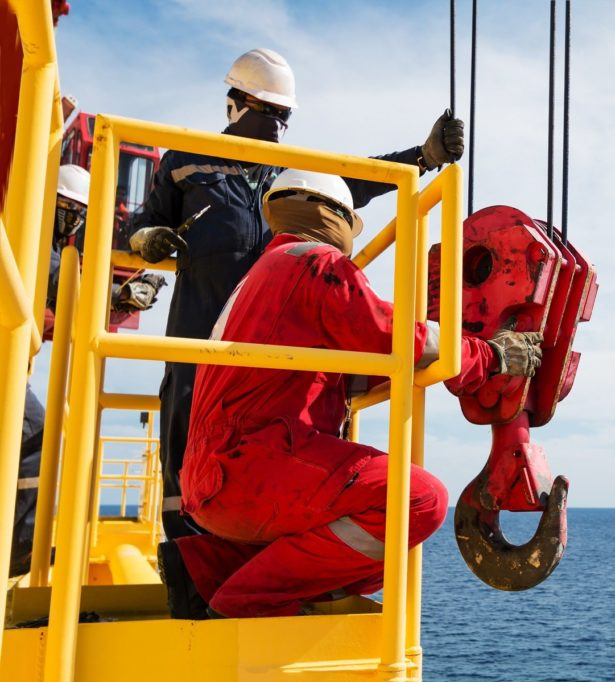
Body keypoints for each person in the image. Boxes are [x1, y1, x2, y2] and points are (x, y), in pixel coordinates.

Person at [156, 170, 542, 619]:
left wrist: (428, 366)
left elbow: (346, 368)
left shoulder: (262, 277)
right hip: (254, 466)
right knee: (416, 502)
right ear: (335, 218)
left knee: (376, 553)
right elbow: (389, 334)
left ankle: (206, 568)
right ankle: (245, 599)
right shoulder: (315, 263)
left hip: (213, 481)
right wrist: (488, 356)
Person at [128, 48, 466, 540]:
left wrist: (423, 157)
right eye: (269, 111)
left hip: (274, 347)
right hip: (198, 337)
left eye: (283, 115)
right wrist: (147, 240)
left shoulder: (288, 169)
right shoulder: (185, 160)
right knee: (184, 446)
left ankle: (264, 557)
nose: (277, 125)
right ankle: (187, 566)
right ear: (235, 104)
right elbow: (141, 223)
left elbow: (357, 178)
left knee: (290, 442)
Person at [11, 164, 165, 576]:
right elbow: (66, 290)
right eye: (66, 207)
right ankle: (20, 553)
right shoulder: (33, 236)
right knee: (35, 436)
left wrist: (120, 296)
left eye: (78, 211)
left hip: (13, 364)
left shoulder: (42, 238)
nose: (72, 218)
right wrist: (124, 295)